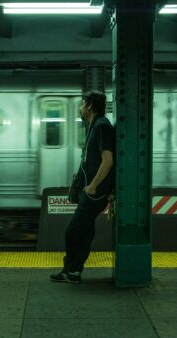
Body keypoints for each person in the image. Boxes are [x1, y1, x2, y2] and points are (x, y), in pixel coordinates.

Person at [50, 90, 115, 284]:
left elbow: (108, 160)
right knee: (85, 231)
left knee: (73, 231)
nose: (80, 108)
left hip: (95, 192)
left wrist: (93, 186)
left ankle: (71, 270)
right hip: (95, 191)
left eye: (81, 104)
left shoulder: (101, 126)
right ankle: (73, 272)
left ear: (88, 105)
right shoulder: (95, 125)